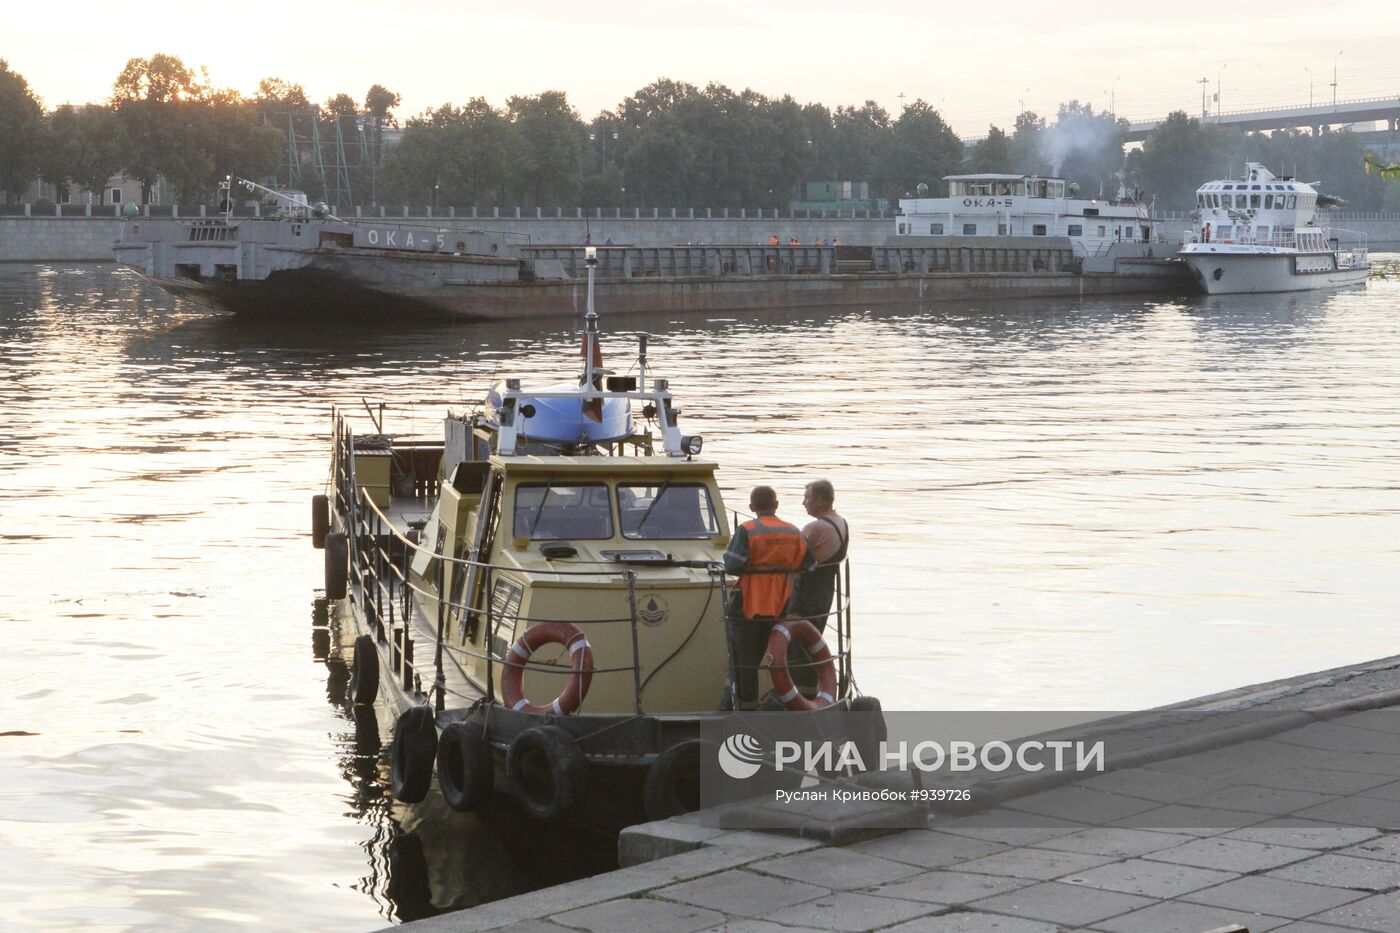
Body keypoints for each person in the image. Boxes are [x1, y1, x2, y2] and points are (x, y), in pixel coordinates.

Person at [723, 486, 812, 704]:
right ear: (776, 505)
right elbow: (809, 565)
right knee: (780, 657)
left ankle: (746, 705)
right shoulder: (793, 531)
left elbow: (732, 564)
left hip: (749, 605)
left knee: (745, 660)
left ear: (752, 507)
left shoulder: (747, 529)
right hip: (783, 604)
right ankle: (787, 700)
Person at [788, 479, 849, 633]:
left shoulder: (815, 528)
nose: (803, 503)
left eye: (806, 498)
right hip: (825, 593)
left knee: (797, 644)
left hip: (806, 597)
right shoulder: (841, 522)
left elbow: (790, 558)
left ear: (819, 501)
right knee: (812, 637)